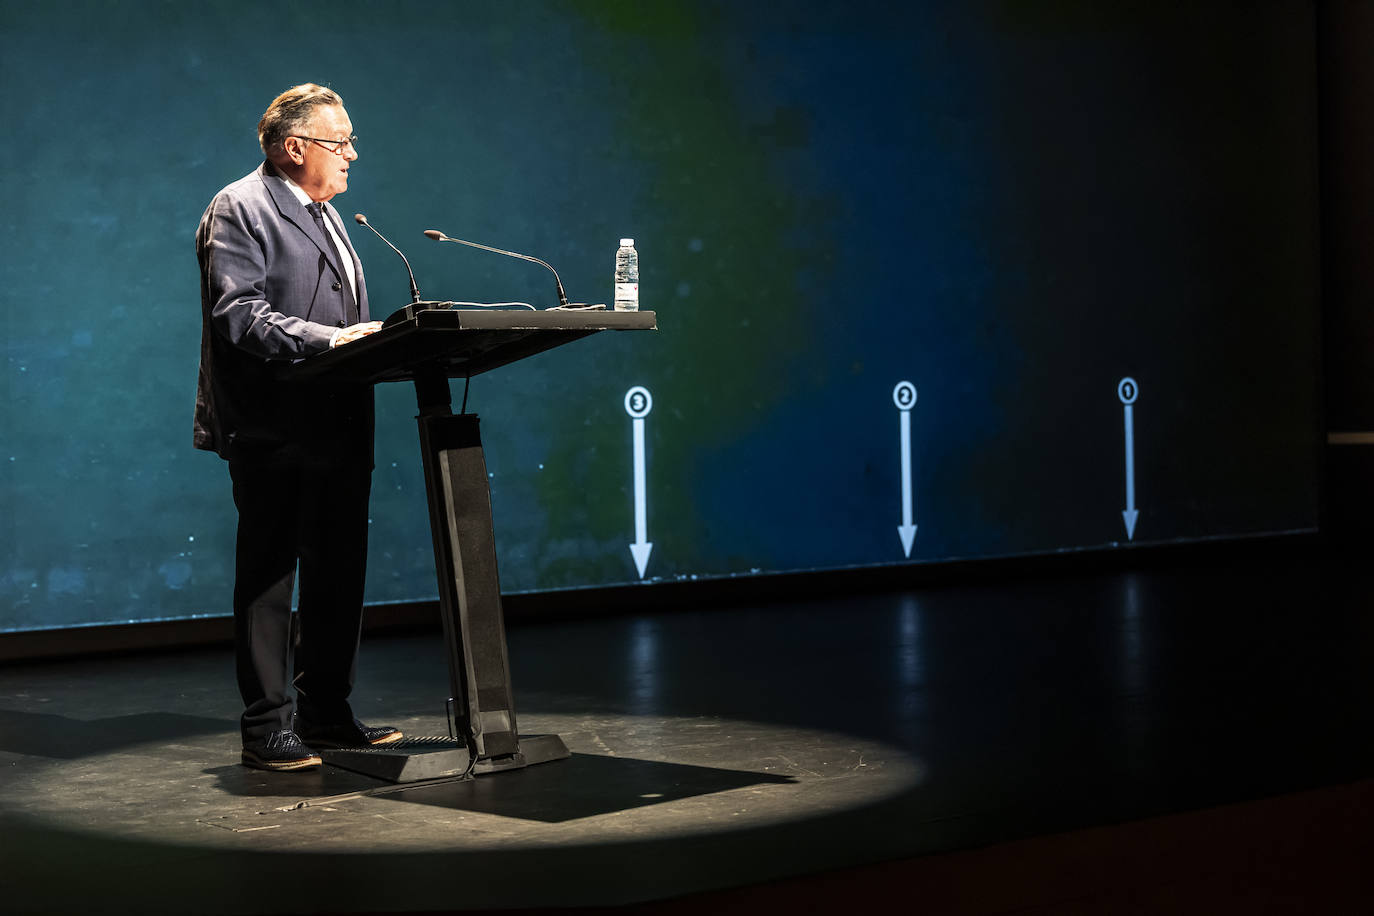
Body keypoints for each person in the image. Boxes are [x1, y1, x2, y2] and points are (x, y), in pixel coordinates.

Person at [194, 83, 402, 771]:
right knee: (270, 573)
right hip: (273, 426)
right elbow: (241, 317)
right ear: (295, 147)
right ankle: (267, 730)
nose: (351, 156)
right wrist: (335, 342)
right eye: (339, 142)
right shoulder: (241, 207)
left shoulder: (332, 215)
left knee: (339, 570)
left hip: (340, 421)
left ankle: (326, 714)